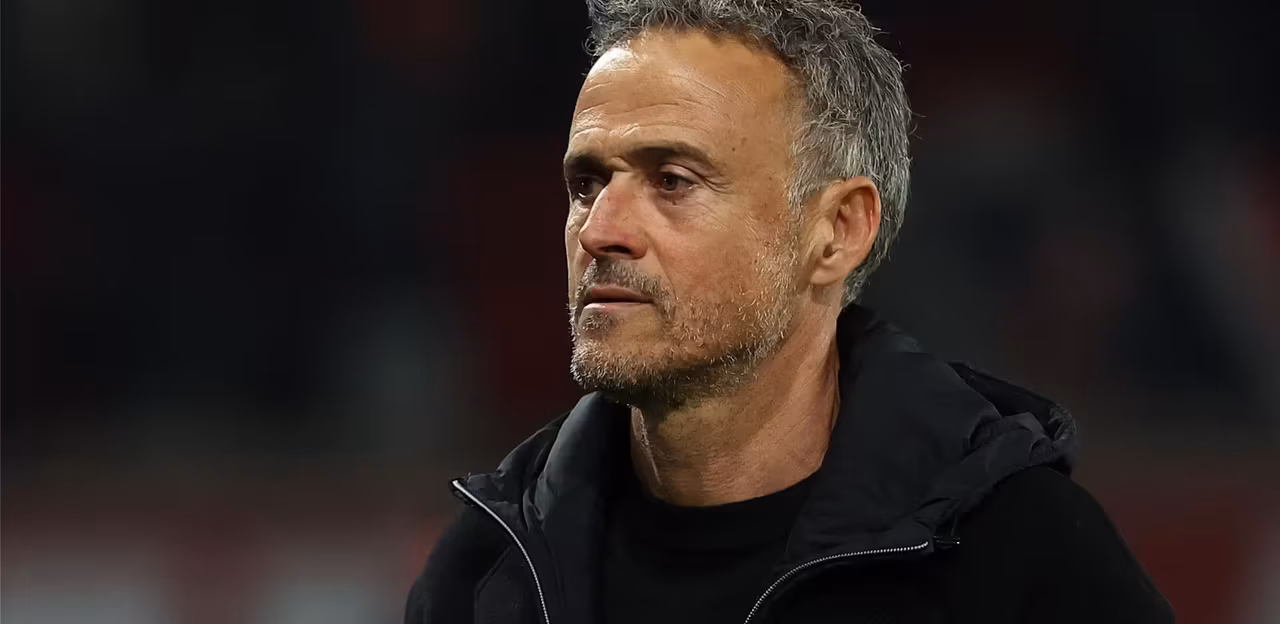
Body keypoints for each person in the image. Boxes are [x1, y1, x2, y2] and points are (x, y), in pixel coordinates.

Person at [405, 1, 1173, 622]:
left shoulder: (1023, 560)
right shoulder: (488, 571)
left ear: (837, 231)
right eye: (586, 184)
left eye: (672, 180)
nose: (600, 230)